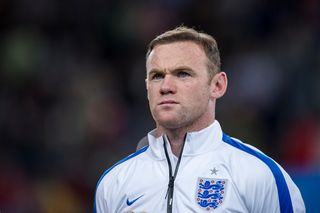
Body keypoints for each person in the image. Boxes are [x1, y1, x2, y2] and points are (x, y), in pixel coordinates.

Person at [94, 26, 305, 213]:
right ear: (147, 87)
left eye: (183, 74)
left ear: (217, 86)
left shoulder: (260, 175)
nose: (166, 86)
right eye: (157, 76)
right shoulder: (115, 182)